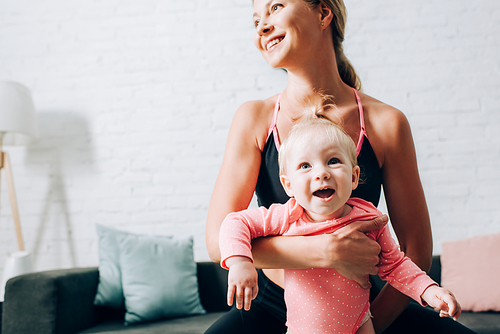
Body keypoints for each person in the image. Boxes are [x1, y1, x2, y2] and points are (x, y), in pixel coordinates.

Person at [205, 0, 476, 333]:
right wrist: (322, 251)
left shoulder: (387, 124)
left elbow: (416, 250)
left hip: (363, 308)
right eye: (256, 19)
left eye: (275, 7)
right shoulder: (254, 119)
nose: (262, 25)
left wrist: (365, 324)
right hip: (272, 308)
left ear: (323, 13)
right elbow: (220, 240)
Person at [218, 112, 461, 334]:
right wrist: (240, 263)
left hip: (360, 325)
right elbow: (234, 222)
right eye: (305, 166)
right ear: (288, 185)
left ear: (354, 176)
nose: (321, 173)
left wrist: (430, 291)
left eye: (333, 161)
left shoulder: (368, 217)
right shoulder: (288, 216)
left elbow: (396, 265)